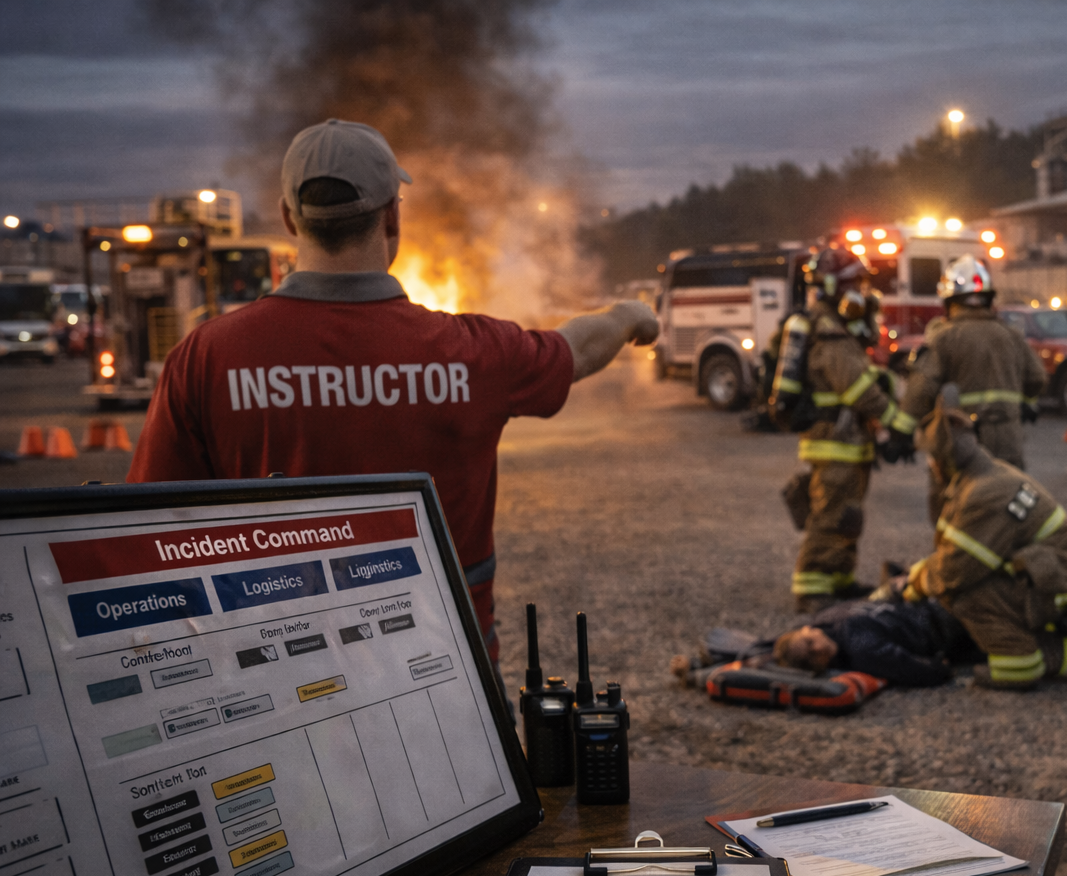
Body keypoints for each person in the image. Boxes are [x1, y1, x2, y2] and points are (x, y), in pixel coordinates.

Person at [128, 118, 658, 678]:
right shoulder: (470, 353)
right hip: (450, 681)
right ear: (393, 215)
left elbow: (146, 533)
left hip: (280, 686)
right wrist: (628, 316)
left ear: (288, 218)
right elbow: (575, 349)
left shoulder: (206, 358)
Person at [895, 385, 1067, 689]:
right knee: (961, 586)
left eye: (931, 459)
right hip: (1049, 580)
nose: (928, 465)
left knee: (960, 591)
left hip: (1055, 589)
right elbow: (957, 547)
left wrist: (916, 582)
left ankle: (1017, 665)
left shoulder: (983, 492)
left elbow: (956, 569)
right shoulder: (982, 475)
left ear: (945, 459)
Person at [774, 247, 916, 613]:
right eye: (856, 283)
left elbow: (864, 378)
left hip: (849, 443)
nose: (862, 293)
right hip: (834, 443)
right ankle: (811, 589)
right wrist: (896, 422)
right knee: (830, 515)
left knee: (849, 515)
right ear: (833, 286)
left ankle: (839, 578)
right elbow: (854, 386)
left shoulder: (838, 328)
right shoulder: (828, 330)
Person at [901, 255, 1046, 522]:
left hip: (963, 443)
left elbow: (921, 391)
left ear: (948, 302)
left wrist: (901, 431)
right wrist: (1021, 401)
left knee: (958, 511)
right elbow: (1037, 379)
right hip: (1008, 441)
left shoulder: (944, 337)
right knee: (1007, 510)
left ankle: (958, 563)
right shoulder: (1011, 335)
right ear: (990, 299)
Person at [672, 599, 979, 689]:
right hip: (946, 619)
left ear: (808, 630)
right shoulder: (831, 622)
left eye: (809, 642)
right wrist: (941, 669)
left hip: (938, 613)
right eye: (811, 656)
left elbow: (765, 647)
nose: (818, 648)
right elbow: (911, 668)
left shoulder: (848, 638)